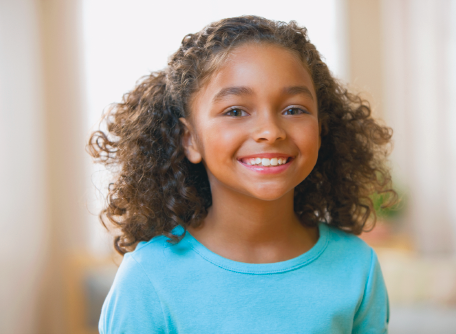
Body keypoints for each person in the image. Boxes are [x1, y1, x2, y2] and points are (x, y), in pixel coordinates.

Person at [89, 15, 395, 333]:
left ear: (320, 128)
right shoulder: (148, 277)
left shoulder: (357, 267)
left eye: (294, 109)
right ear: (190, 139)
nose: (270, 131)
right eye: (235, 111)